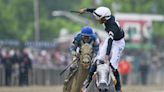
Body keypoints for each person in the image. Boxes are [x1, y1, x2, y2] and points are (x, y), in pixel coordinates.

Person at [80, 7, 125, 92]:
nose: (97, 20)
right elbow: (95, 10)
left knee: (113, 66)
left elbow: (111, 43)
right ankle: (88, 81)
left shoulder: (112, 27)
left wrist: (107, 56)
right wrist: (85, 10)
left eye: (99, 18)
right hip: (111, 39)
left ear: (104, 18)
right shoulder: (106, 16)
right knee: (98, 60)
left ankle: (118, 88)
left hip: (118, 43)